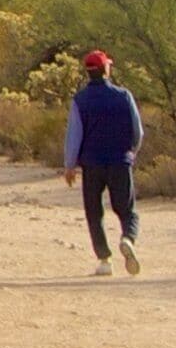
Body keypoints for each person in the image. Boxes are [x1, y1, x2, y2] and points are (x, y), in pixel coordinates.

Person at [60, 49, 145, 276]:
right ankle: (128, 238)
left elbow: (74, 135)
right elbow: (137, 132)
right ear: (106, 69)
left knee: (94, 212)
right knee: (127, 210)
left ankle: (104, 259)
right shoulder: (124, 96)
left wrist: (70, 165)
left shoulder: (80, 100)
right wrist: (131, 153)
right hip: (120, 161)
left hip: (92, 165)